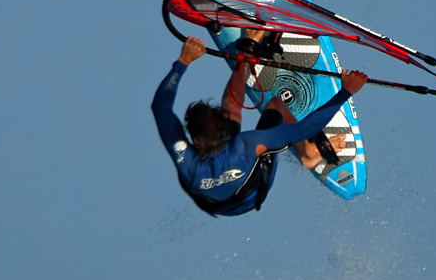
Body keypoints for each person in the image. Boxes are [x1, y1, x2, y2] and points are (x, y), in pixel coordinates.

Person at [152, 34, 368, 216]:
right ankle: (308, 153)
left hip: (212, 201)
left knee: (230, 110)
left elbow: (160, 106)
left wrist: (183, 61)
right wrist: (346, 92)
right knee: (274, 104)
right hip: (252, 190)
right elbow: (305, 129)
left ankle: (245, 59)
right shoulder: (249, 145)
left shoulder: (184, 156)